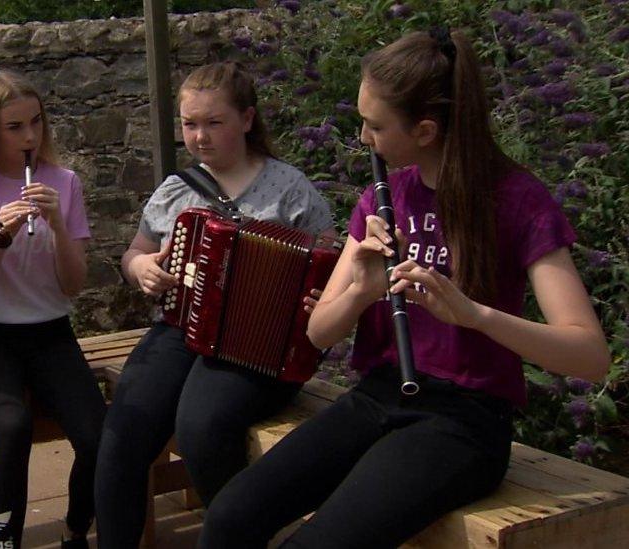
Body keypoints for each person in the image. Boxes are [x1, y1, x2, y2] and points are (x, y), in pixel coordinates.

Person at [197, 29, 611, 549]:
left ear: (425, 130)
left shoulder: (517, 200)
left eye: (375, 126)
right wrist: (360, 292)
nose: (364, 140)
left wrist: (474, 315)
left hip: (464, 421)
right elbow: (319, 332)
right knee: (229, 516)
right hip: (379, 396)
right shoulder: (383, 197)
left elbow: (590, 355)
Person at [93, 61, 336, 548]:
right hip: (179, 329)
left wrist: (318, 293)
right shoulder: (176, 190)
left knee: (202, 427)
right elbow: (134, 253)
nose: (199, 136)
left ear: (247, 120)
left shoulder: (290, 188)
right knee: (123, 432)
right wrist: (141, 269)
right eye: (190, 124)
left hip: (261, 347)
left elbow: (332, 261)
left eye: (213, 122)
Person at [0, 70, 105, 549]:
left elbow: (74, 286)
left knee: (98, 437)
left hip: (50, 332)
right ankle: (4, 541)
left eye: (35, 122)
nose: (30, 136)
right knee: (12, 424)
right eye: (14, 127)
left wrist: (56, 223)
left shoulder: (64, 183)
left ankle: (76, 528)